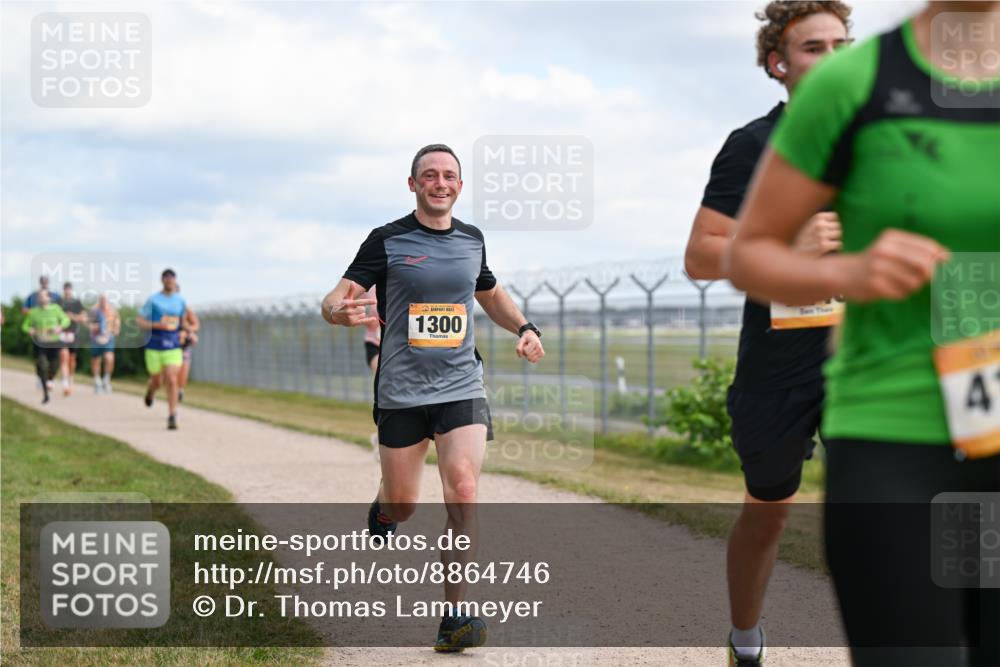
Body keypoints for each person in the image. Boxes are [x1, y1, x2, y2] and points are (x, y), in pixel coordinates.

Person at [727, 2, 1000, 665]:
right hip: (893, 431)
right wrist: (850, 267)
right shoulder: (855, 83)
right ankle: (745, 634)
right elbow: (747, 254)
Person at [321, 144, 544, 653]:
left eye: (449, 176)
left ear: (459, 186)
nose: (440, 183)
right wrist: (339, 313)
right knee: (404, 505)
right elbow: (336, 298)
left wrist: (525, 327)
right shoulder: (387, 240)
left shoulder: (472, 240)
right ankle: (384, 503)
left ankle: (455, 615)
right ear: (413, 184)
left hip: (461, 386)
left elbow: (488, 292)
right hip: (401, 393)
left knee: (463, 490)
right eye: (429, 176)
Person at [683, 2, 851, 664]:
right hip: (778, 363)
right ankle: (745, 640)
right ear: (779, 65)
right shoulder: (753, 146)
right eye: (814, 49)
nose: (832, 60)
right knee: (769, 512)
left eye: (842, 46)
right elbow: (701, 254)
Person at [137, 269, 189, 430]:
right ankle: (151, 391)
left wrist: (188, 332)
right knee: (157, 381)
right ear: (162, 281)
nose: (169, 281)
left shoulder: (180, 301)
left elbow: (183, 322)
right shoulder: (153, 300)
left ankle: (172, 415)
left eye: (171, 279)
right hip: (154, 345)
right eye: (166, 279)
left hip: (173, 346)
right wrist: (157, 325)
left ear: (175, 281)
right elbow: (140, 321)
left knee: (172, 378)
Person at [21, 290, 70, 404]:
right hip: (40, 343)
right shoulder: (33, 312)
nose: (41, 299)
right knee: (42, 365)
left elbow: (66, 320)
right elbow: (25, 326)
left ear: (48, 298)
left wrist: (60, 327)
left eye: (43, 297)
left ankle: (50, 379)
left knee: (54, 365)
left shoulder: (56, 309)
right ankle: (46, 394)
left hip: (53, 342)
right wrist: (29, 330)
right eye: (39, 297)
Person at [23, 275, 62, 391]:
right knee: (41, 360)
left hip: (53, 336)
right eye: (42, 281)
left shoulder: (55, 296)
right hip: (39, 333)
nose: (44, 283)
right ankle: (41, 378)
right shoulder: (32, 296)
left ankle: (49, 379)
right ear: (40, 282)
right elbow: (24, 310)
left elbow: (62, 313)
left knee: (54, 360)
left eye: (46, 281)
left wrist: (58, 325)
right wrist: (36, 313)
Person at [362, 285, 382, 462]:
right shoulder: (369, 284)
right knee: (383, 379)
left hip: (399, 343)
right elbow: (352, 303)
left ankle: (380, 436)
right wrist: (365, 317)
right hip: (374, 342)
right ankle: (382, 435)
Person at [58, 282, 87, 396]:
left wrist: (72, 316)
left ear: (71, 290)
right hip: (61, 334)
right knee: (63, 356)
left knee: (72, 359)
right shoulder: (58, 302)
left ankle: (70, 378)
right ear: (63, 290)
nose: (67, 291)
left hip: (73, 334)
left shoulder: (77, 303)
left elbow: (83, 319)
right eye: (65, 289)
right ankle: (65, 383)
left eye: (69, 289)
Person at [89, 294, 120, 393]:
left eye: (105, 300)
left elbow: (117, 323)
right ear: (99, 301)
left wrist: (116, 330)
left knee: (109, 357)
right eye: (101, 300)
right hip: (96, 338)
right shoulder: (94, 311)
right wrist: (95, 327)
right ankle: (97, 381)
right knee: (96, 360)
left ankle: (106, 380)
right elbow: (89, 324)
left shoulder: (112, 311)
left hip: (108, 338)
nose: (103, 302)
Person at [176, 284, 201, 403]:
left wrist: (189, 331)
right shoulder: (161, 309)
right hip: (166, 345)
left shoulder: (185, 309)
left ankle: (180, 389)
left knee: (183, 372)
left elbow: (196, 325)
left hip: (183, 345)